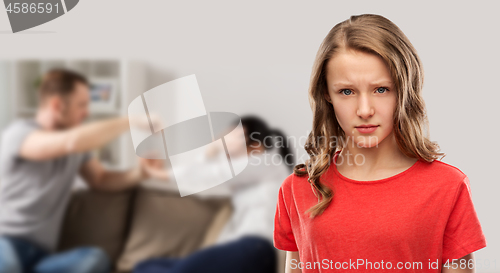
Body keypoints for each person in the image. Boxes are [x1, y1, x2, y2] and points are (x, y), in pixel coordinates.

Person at [273, 14, 487, 273]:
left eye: (381, 89)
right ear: (326, 94)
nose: (364, 110)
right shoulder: (296, 188)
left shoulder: (448, 187)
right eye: (347, 91)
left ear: (404, 90)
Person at [0, 68, 164, 273]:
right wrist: (132, 121)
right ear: (57, 105)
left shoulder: (76, 149)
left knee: (95, 258)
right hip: (5, 242)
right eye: (82, 105)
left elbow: (101, 178)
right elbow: (71, 142)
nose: (87, 112)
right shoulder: (19, 134)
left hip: (42, 256)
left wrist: (141, 173)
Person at [133, 115, 293, 273]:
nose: (224, 142)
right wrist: (210, 151)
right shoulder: (241, 181)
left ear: (256, 146)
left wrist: (156, 173)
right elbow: (202, 179)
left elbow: (213, 175)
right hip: (235, 250)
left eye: (231, 136)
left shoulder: (268, 163)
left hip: (256, 249)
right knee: (144, 267)